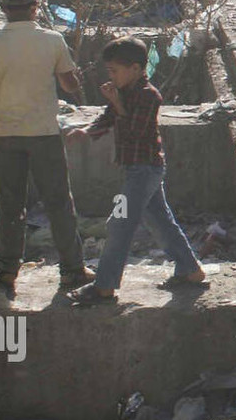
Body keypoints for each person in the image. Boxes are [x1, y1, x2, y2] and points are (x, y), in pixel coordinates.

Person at [0, 0, 94, 296]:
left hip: (5, 134)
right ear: (35, 7)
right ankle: (72, 270)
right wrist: (71, 72)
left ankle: (6, 273)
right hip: (43, 134)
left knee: (10, 204)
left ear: (3, 9)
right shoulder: (52, 40)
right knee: (58, 202)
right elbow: (69, 85)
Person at [65, 36, 205, 305]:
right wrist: (86, 132)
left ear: (136, 68)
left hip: (145, 170)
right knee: (160, 221)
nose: (112, 76)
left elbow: (134, 132)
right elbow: (108, 118)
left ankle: (105, 286)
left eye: (115, 71)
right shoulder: (126, 92)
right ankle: (191, 270)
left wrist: (117, 103)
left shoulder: (148, 95)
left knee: (118, 224)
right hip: (138, 170)